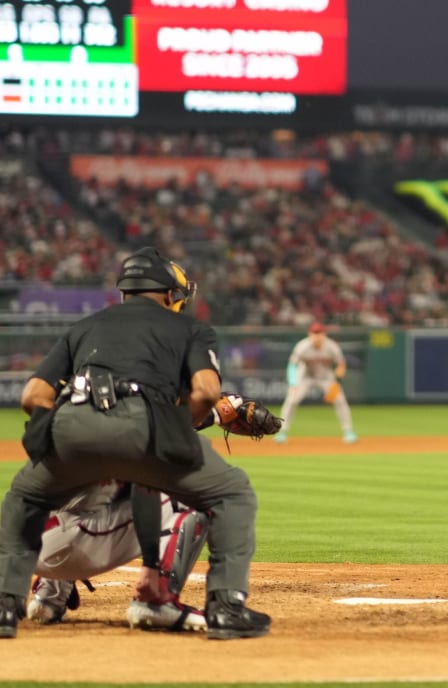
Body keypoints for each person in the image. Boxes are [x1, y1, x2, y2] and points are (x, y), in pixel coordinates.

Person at [0, 246, 269, 640]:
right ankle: (217, 606)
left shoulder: (84, 327)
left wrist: (61, 433)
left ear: (125, 292)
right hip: (143, 430)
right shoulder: (189, 328)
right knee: (230, 493)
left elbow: (32, 397)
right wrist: (183, 425)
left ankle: (7, 606)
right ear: (169, 295)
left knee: (25, 496)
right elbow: (208, 390)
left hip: (70, 427)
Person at [29, 480, 208, 631]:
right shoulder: (129, 440)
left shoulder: (57, 438)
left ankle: (50, 593)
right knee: (196, 492)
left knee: (93, 492)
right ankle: (157, 599)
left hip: (32, 542)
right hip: (70, 543)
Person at [275, 323, 357, 444]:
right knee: (292, 400)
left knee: (340, 400)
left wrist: (336, 385)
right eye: (314, 333)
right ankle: (282, 432)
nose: (317, 336)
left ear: (324, 335)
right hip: (305, 377)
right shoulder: (302, 346)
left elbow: (341, 365)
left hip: (326, 377)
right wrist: (293, 383)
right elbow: (292, 365)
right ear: (310, 334)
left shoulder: (332, 346)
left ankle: (349, 432)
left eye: (319, 333)